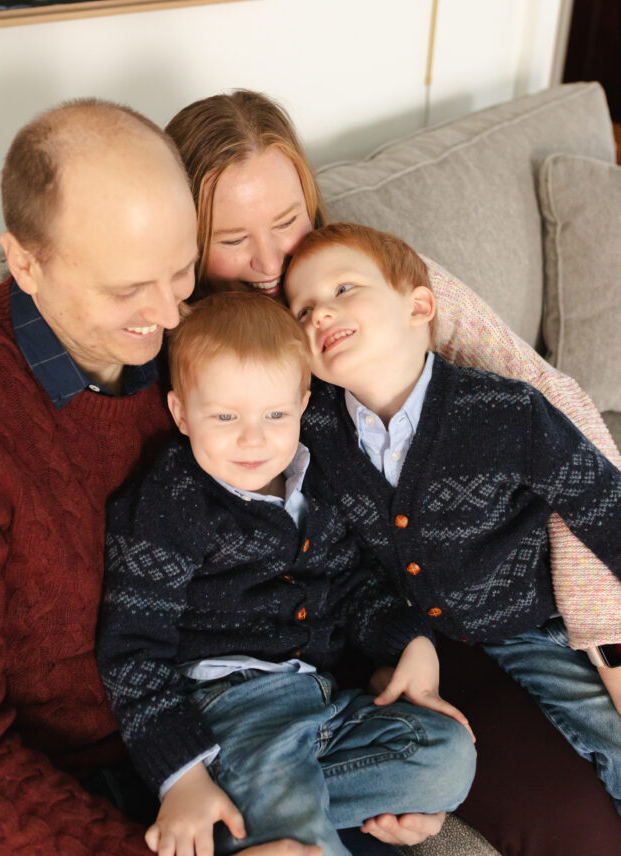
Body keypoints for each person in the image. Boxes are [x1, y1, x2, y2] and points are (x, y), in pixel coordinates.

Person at [166, 88, 621, 849]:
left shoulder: (379, 280)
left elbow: (569, 441)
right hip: (380, 638)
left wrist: (606, 634)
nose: (273, 262)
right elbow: (317, 559)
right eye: (231, 239)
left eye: (287, 222)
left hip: (522, 611)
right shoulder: (229, 382)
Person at [0, 98, 319, 856]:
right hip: (76, 790)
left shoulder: (196, 341)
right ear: (24, 263)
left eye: (180, 273)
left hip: (235, 725)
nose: (170, 318)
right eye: (127, 291)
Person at [96, 290, 477, 856]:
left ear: (301, 405)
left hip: (320, 702)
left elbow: (353, 585)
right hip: (232, 705)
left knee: (446, 757)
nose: (253, 439)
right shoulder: (172, 501)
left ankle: (245, 817)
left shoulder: (315, 481)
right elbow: (130, 651)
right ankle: (248, 809)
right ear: (181, 413)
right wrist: (183, 775)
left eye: (275, 415)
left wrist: (411, 643)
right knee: (295, 834)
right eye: (224, 416)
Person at [282, 221, 621, 808]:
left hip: (540, 618)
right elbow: (348, 570)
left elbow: (602, 501)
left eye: (342, 290)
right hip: (450, 637)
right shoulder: (315, 441)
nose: (318, 315)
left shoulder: (503, 409)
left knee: (613, 736)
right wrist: (404, 639)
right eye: (301, 309)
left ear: (420, 306)